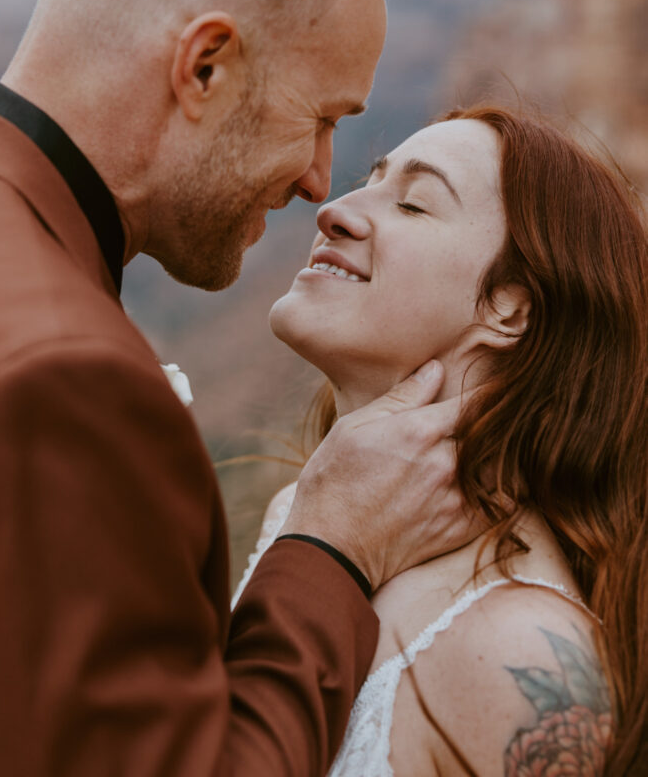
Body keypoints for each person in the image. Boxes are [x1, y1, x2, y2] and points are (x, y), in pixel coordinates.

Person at [0, 0, 480, 776]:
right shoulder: (67, 382)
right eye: (321, 118)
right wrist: (331, 546)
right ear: (205, 67)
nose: (320, 182)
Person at [239, 106, 647, 776]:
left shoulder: (522, 657)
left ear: (507, 308)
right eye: (369, 181)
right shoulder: (300, 514)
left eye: (412, 204)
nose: (334, 210)